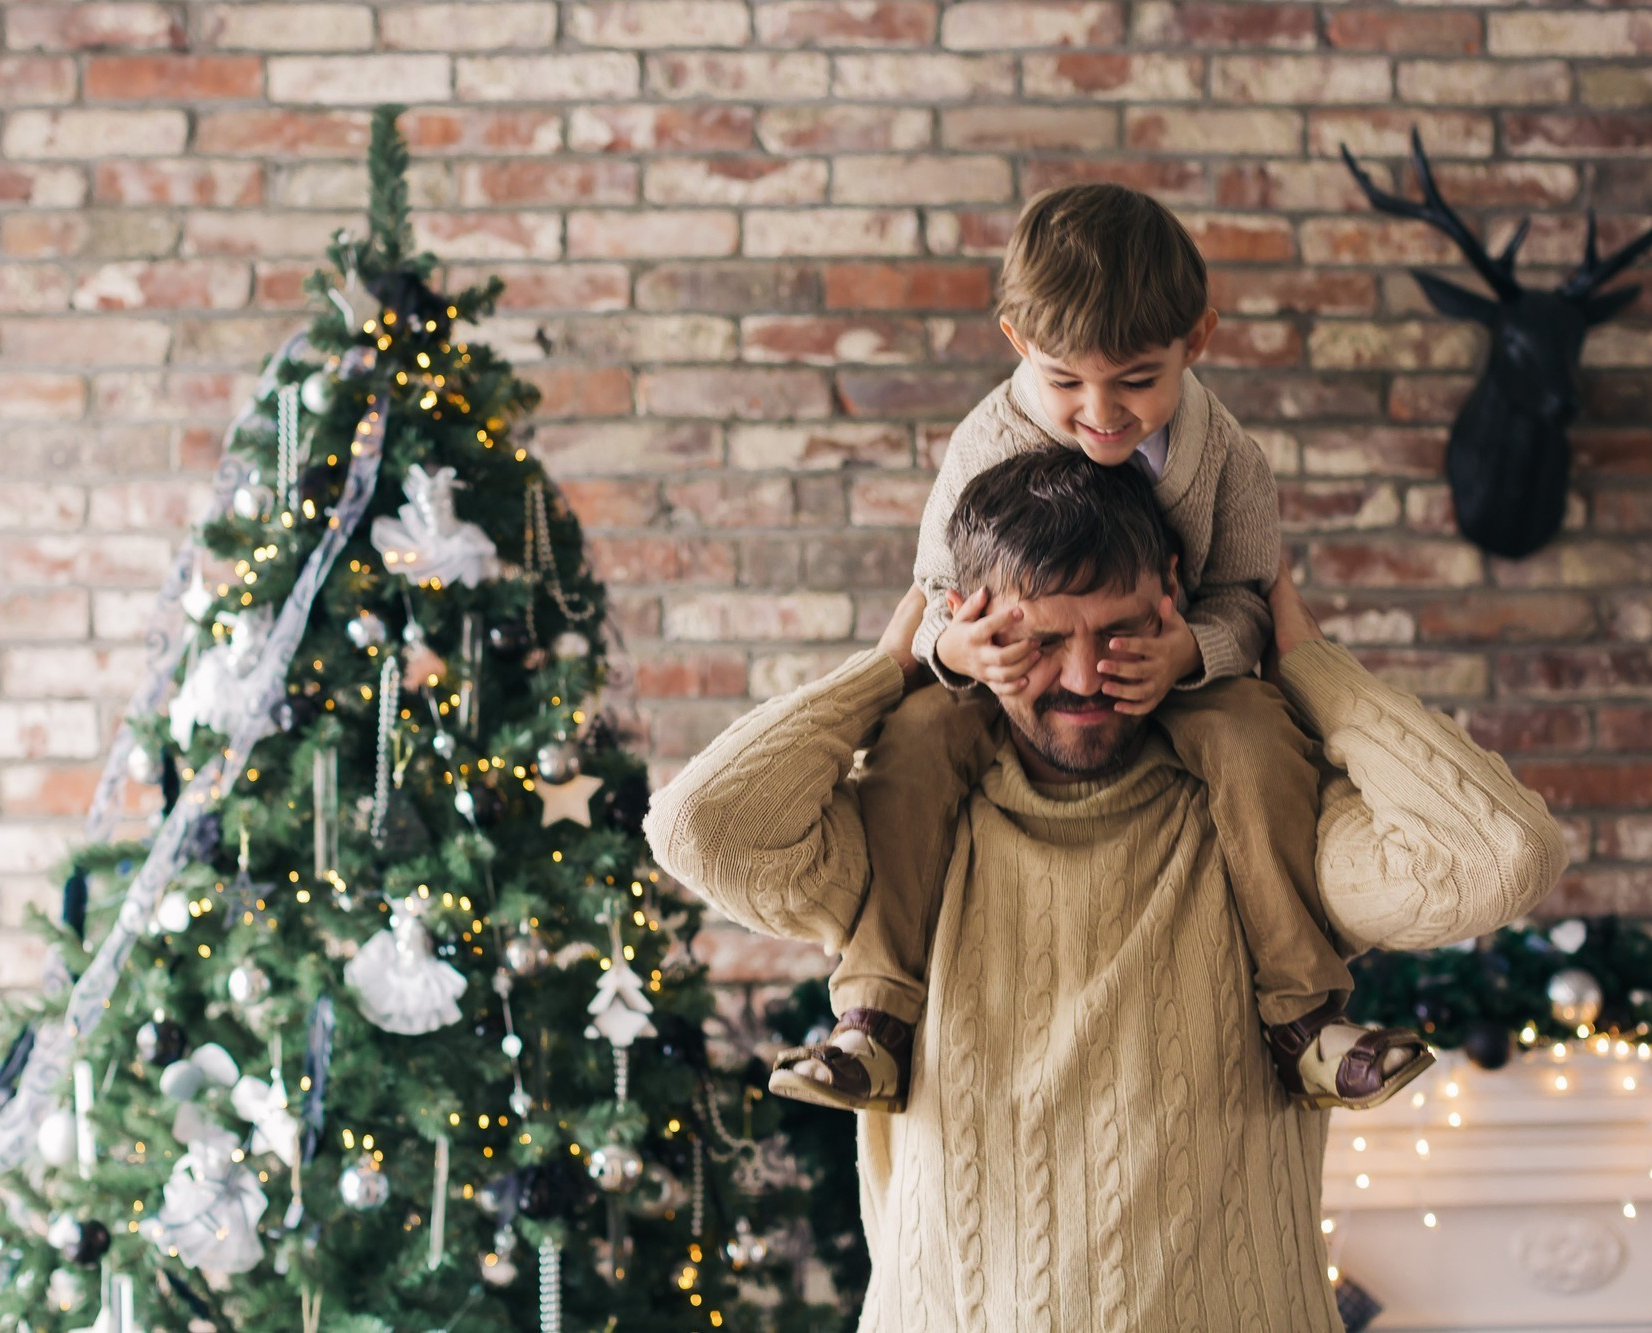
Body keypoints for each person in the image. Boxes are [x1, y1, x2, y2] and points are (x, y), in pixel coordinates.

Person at [645, 447, 1564, 1328]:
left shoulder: (1270, 823)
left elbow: (1499, 856)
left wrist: (1308, 666)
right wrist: (892, 667)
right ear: (971, 624)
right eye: (1038, 640)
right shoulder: (901, 835)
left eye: (1120, 631)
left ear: (1172, 596)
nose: (1085, 677)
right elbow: (700, 827)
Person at [768, 181, 1428, 1117]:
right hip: (1010, 680)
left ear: (1196, 341)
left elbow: (1250, 597)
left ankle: (1303, 1019)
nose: (1103, 413)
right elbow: (930, 599)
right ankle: (873, 1020)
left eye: (1136, 381)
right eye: (1067, 381)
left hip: (1174, 673)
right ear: (1016, 344)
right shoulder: (983, 442)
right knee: (912, 743)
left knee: (1256, 736)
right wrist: (962, 653)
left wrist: (1193, 651)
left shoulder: (1229, 457)